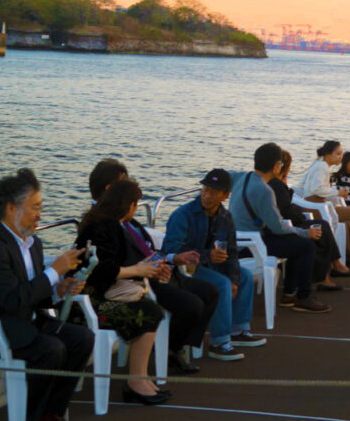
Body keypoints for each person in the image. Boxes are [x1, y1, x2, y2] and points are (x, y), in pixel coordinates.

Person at [0, 169, 92, 421]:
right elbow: (13, 299)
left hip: (25, 320)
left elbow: (36, 295)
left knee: (82, 338)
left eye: (40, 208)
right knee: (51, 350)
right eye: (35, 207)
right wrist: (55, 272)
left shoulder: (33, 244)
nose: (39, 214)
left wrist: (59, 290)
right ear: (12, 208)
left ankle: (50, 413)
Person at [87, 158, 219, 375]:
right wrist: (148, 269)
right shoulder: (100, 224)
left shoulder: (126, 219)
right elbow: (111, 264)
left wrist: (173, 259)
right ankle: (170, 350)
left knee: (211, 292)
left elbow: (147, 248)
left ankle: (174, 345)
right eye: (125, 184)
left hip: (157, 270)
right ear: (111, 189)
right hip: (138, 281)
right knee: (192, 305)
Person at [75, 179, 171, 404]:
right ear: (129, 205)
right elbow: (100, 270)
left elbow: (119, 263)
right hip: (91, 303)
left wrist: (149, 268)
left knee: (150, 310)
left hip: (101, 295)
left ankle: (140, 378)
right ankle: (136, 382)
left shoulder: (108, 224)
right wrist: (138, 269)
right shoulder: (102, 228)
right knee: (149, 313)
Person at [163, 168, 267, 361]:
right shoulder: (183, 214)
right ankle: (219, 342)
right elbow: (172, 250)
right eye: (205, 190)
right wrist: (207, 255)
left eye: (213, 192)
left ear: (225, 195)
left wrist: (234, 279)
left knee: (244, 276)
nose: (207, 195)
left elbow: (232, 252)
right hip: (186, 270)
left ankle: (239, 330)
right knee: (222, 283)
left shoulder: (225, 217)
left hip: (210, 266)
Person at [230, 142, 332, 313]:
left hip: (238, 241)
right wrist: (305, 233)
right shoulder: (264, 190)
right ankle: (302, 297)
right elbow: (278, 228)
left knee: (294, 242)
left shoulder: (242, 177)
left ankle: (289, 294)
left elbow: (219, 175)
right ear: (276, 166)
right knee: (305, 245)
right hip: (252, 246)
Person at [272, 150, 350, 290]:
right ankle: (324, 277)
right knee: (319, 231)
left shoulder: (276, 184)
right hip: (285, 227)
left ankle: (334, 266)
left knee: (322, 225)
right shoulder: (276, 186)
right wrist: (300, 215)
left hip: (287, 223)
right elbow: (286, 210)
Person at [300, 140, 350, 265]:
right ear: (328, 154)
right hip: (316, 207)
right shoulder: (322, 167)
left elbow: (304, 185)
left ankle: (349, 254)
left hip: (315, 204)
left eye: (341, 154)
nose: (341, 157)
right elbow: (317, 189)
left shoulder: (319, 164)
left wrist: (334, 193)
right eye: (338, 154)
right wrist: (337, 192)